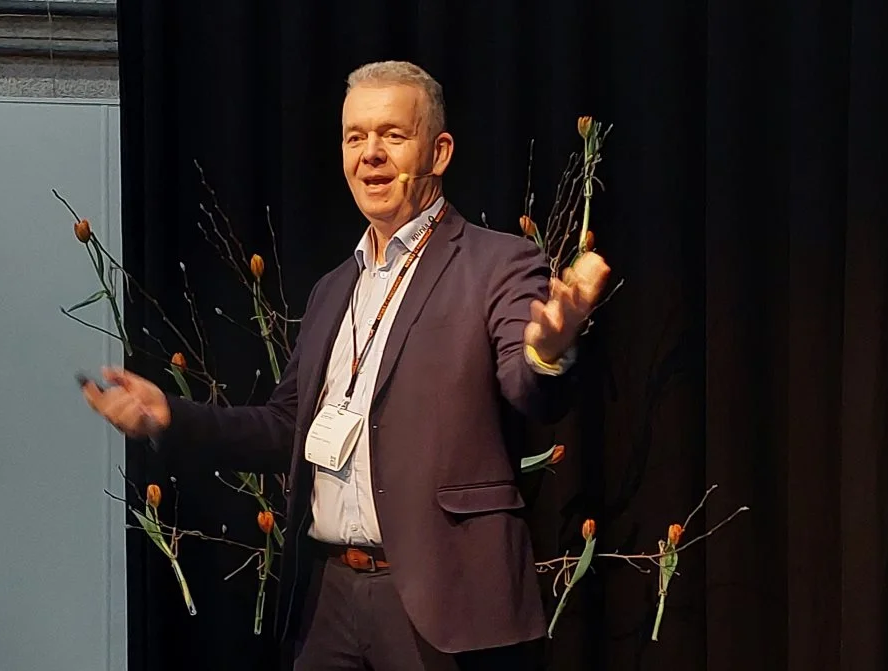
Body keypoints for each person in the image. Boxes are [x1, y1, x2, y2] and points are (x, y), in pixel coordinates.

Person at [83, 60, 611, 670]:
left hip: (442, 600)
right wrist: (168, 415)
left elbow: (531, 391)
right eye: (355, 137)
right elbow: (286, 431)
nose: (371, 155)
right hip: (326, 599)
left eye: (392, 135)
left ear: (438, 152)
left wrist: (549, 348)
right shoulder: (335, 289)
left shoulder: (499, 264)